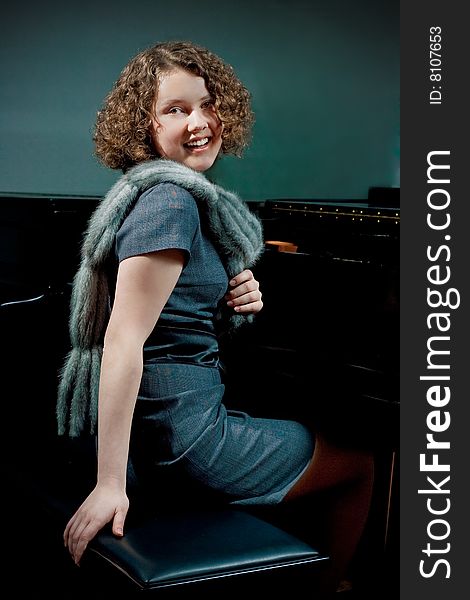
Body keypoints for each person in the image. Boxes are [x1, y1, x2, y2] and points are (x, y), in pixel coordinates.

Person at [58, 40, 374, 594]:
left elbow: (168, 321)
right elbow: (123, 340)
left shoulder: (146, 196)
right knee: (362, 462)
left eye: (207, 104)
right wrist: (110, 483)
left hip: (159, 433)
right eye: (176, 109)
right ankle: (335, 589)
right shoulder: (172, 202)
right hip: (187, 444)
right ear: (144, 127)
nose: (200, 122)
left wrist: (230, 301)